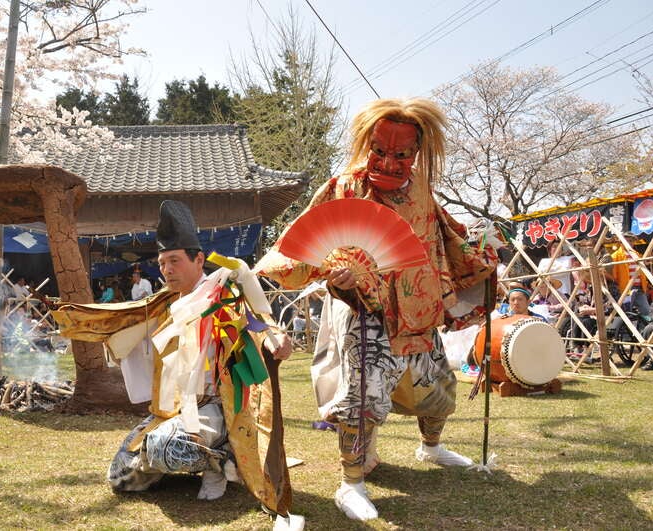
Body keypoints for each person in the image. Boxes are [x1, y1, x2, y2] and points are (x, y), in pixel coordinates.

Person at [257, 98, 500, 521]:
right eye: (380, 151)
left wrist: (481, 252)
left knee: (436, 390)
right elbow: (304, 246)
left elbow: (447, 236)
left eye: (402, 154)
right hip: (366, 314)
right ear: (366, 145)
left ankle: (432, 448)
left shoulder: (423, 189)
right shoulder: (344, 187)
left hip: (421, 309)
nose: (389, 163)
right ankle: (350, 483)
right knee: (363, 395)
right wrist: (334, 276)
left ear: (417, 154)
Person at [53, 200, 300, 529]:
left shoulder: (225, 296)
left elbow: (260, 321)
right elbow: (121, 323)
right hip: (170, 411)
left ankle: (223, 460)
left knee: (164, 447)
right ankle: (202, 458)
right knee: (121, 478)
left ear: (199, 260)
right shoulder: (162, 304)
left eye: (174, 260)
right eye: (162, 262)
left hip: (216, 408)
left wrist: (275, 338)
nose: (167, 269)